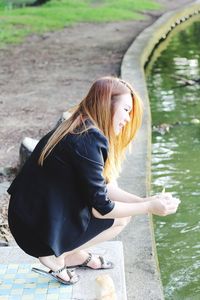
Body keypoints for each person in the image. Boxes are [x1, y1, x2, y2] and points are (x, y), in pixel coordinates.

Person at [7, 76, 181, 285]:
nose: (128, 118)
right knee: (121, 219)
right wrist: (148, 207)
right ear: (107, 103)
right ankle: (54, 256)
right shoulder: (88, 140)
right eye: (126, 110)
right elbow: (103, 209)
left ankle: (71, 254)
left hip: (30, 217)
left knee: (122, 210)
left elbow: (105, 188)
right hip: (36, 229)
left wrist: (145, 200)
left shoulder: (80, 125)